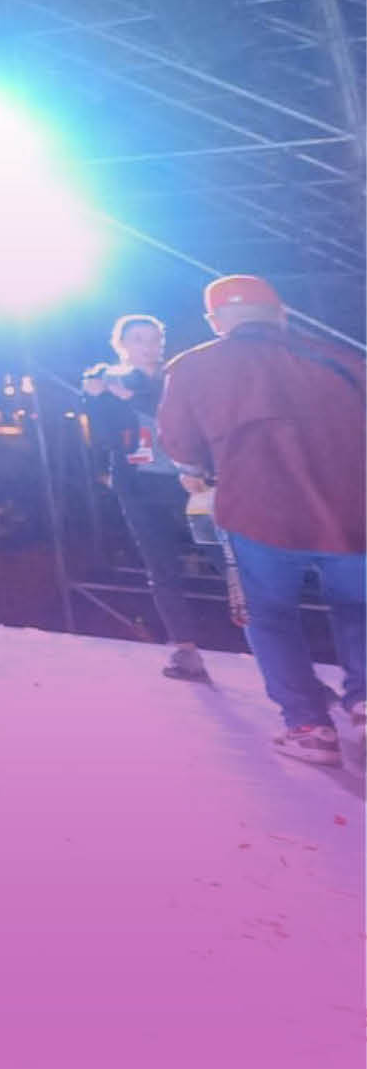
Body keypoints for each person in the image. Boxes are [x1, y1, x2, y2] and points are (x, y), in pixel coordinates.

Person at [157, 276, 366, 766]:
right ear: (281, 313)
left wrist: (197, 470)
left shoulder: (192, 367)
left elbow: (180, 445)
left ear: (215, 322)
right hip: (354, 514)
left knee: (270, 618)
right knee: (361, 609)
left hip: (257, 515)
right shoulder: (343, 360)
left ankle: (309, 728)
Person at [82, 314, 209, 681]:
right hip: (138, 485)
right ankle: (185, 650)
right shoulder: (107, 379)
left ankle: (276, 653)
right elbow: (105, 434)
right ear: (121, 344)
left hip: (191, 482)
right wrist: (97, 393)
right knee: (160, 566)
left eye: (154, 339)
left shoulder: (176, 377)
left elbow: (193, 418)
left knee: (229, 559)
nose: (148, 347)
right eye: (138, 339)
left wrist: (135, 394)